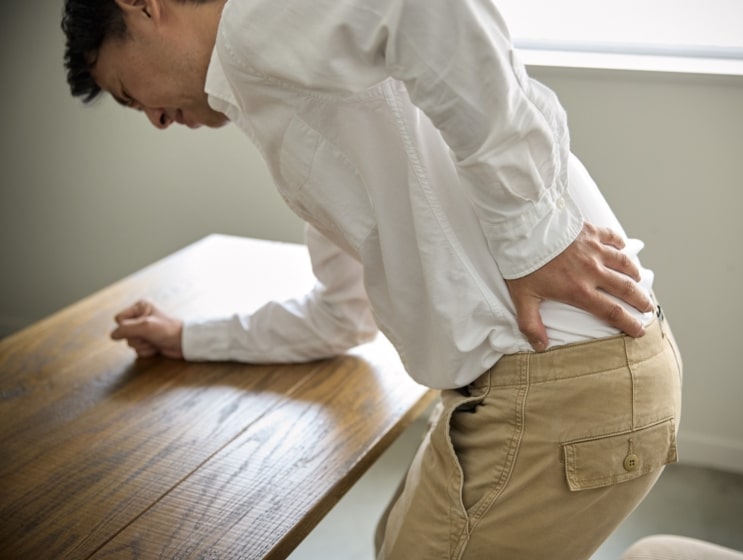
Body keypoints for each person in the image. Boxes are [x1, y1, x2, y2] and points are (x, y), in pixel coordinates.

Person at [62, 0, 683, 558]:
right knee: (392, 538)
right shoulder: (296, 104)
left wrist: (533, 239)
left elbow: (430, 9)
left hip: (560, 379)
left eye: (125, 91)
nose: (154, 120)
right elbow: (341, 314)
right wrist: (189, 338)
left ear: (143, 7)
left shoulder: (251, 27)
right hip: (557, 379)